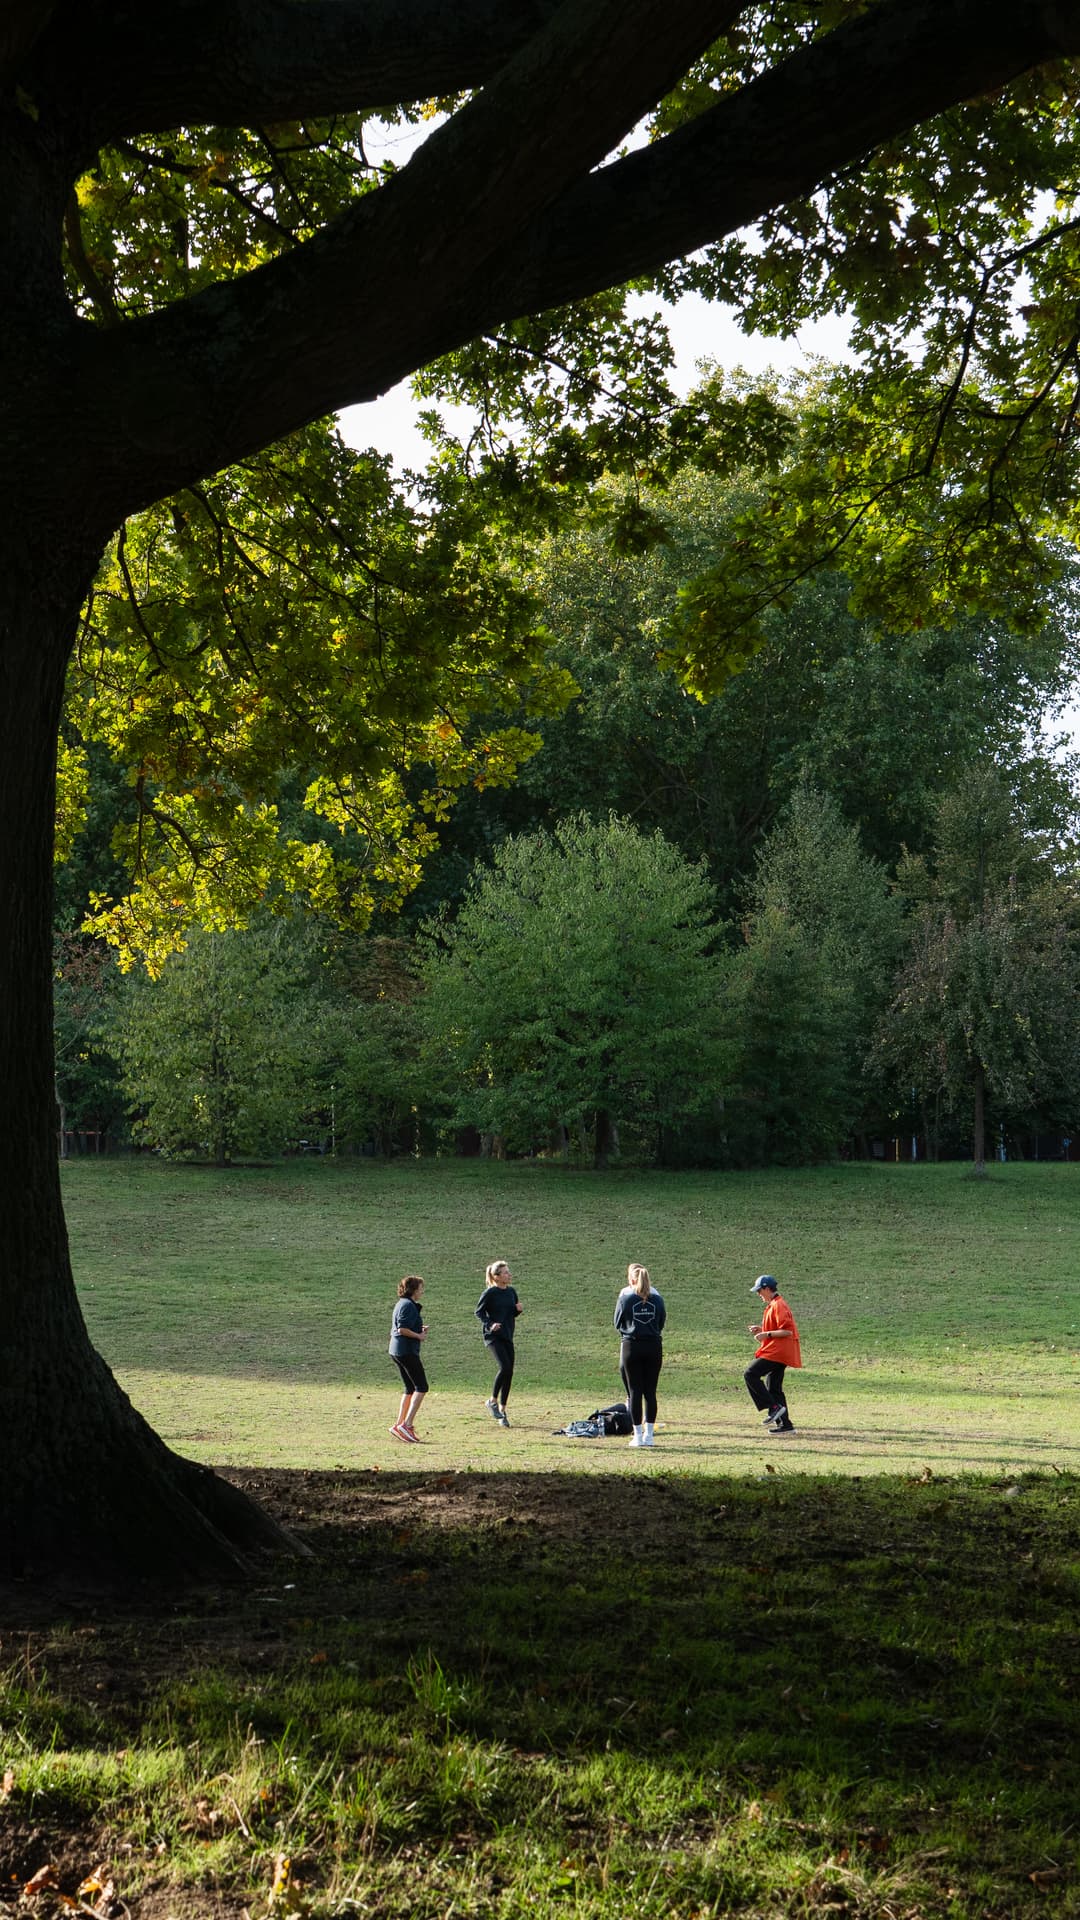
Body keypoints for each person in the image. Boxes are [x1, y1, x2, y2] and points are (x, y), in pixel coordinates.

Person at [614, 1262, 666, 1449]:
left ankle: (637, 1436)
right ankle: (649, 1435)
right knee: (650, 1392)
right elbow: (661, 1322)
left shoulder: (626, 1298)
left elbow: (617, 1322)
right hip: (653, 1345)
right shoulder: (658, 1299)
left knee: (635, 1391)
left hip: (631, 1346)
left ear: (632, 1279)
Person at [744, 1274, 801, 1434]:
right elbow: (779, 1329)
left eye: (759, 1291)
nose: (758, 1294)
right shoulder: (774, 1304)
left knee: (750, 1374)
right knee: (774, 1388)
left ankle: (774, 1408)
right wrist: (763, 1330)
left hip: (778, 1352)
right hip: (781, 1352)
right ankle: (786, 1425)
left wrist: (766, 1335)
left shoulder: (779, 1305)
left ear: (767, 1289)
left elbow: (787, 1331)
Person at [474, 1259, 522, 1427]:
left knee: (509, 1372)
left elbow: (510, 1314)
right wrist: (490, 1324)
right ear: (497, 1276)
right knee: (505, 1367)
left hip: (508, 1335)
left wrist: (517, 1311)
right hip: (493, 1337)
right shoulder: (490, 1293)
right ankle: (492, 1401)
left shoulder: (511, 1292)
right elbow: (479, 1312)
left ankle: (502, 1412)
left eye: (509, 1272)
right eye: (506, 1272)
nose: (510, 1275)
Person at [388, 1274, 429, 1442]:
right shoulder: (408, 1306)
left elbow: (403, 1326)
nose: (422, 1292)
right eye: (420, 1289)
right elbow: (402, 1329)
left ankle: (399, 1425)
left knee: (410, 1388)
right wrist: (419, 1336)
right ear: (413, 1290)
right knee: (422, 1387)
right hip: (406, 1351)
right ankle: (407, 1424)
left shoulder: (403, 1304)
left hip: (397, 1350)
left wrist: (419, 1328)